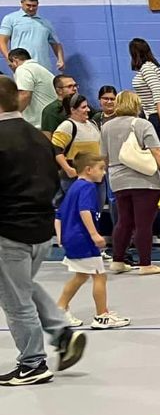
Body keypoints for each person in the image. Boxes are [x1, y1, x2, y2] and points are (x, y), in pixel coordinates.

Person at [0, 75, 85, 385]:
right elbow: (52, 181)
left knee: (15, 300)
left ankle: (33, 363)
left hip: (9, 231)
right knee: (22, 286)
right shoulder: (38, 137)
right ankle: (61, 333)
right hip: (41, 229)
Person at [102, 90, 160, 275]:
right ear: (137, 104)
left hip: (117, 178)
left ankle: (118, 260)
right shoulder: (143, 124)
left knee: (123, 221)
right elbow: (156, 152)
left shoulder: (107, 126)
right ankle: (145, 264)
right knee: (144, 223)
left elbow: (104, 156)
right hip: (144, 180)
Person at [54, 152, 126, 330]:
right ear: (88, 170)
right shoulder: (87, 188)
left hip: (72, 238)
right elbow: (84, 211)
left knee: (81, 275)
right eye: (101, 169)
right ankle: (102, 316)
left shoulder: (74, 187)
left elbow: (59, 215)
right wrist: (94, 234)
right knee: (99, 276)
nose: (103, 173)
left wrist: (60, 237)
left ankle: (60, 309)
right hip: (83, 239)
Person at [0, 0, 64, 72]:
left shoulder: (46, 23)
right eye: (28, 5)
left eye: (34, 6)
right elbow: (2, 41)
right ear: (22, 2)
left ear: (38, 4)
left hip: (44, 67)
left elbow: (56, 44)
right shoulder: (10, 19)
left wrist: (60, 59)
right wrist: (9, 59)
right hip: (22, 67)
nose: (31, 8)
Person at [51, 92, 102, 189]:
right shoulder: (67, 126)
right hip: (76, 179)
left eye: (87, 106)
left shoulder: (92, 124)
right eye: (83, 107)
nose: (88, 109)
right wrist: (68, 169)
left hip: (96, 176)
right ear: (73, 110)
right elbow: (55, 149)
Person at [129, 38, 160, 139]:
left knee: (156, 147)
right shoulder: (150, 66)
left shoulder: (147, 68)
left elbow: (156, 90)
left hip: (156, 114)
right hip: (152, 113)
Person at [7, 48, 56, 129]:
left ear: (14, 60)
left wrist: (11, 117)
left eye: (10, 65)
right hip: (50, 120)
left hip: (39, 124)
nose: (11, 68)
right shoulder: (39, 69)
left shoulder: (23, 69)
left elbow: (25, 95)